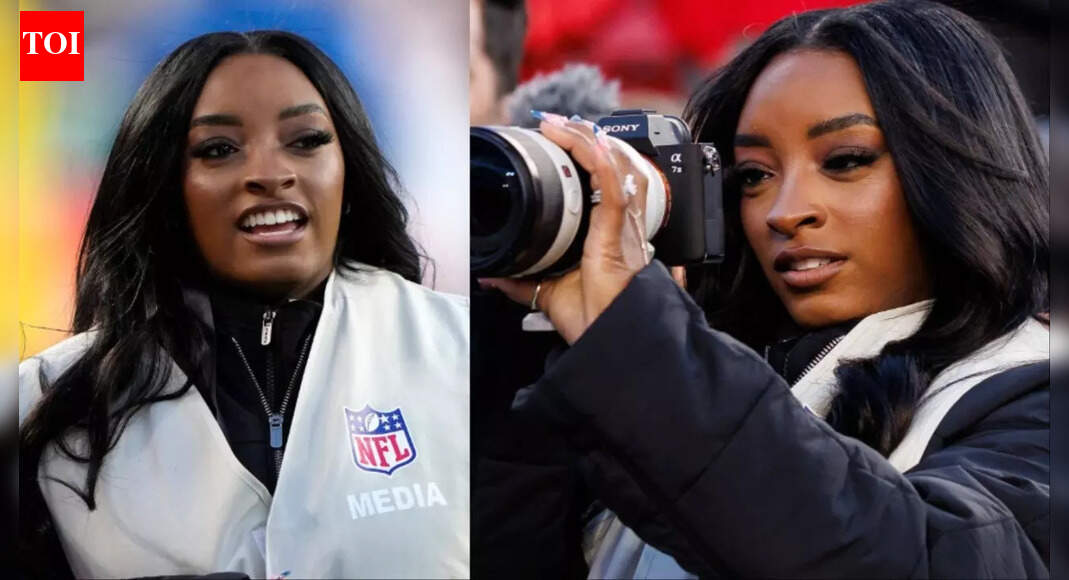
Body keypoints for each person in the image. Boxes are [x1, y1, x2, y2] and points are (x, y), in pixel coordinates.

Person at [478, 0, 1050, 577]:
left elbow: (922, 559)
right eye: (753, 175)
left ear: (957, 171)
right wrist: (519, 352)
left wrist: (641, 341)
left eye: (846, 160)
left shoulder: (1035, 395)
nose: (784, 211)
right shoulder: (673, 372)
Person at [19, 31, 469, 579]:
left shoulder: (466, 353)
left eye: (305, 140)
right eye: (219, 149)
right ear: (161, 185)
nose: (271, 173)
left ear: (348, 172)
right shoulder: (42, 404)